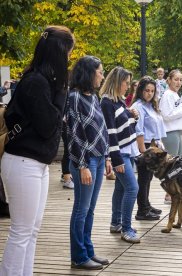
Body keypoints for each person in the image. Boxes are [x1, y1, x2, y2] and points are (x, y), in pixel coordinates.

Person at [0, 25, 75, 275]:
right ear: (58, 53)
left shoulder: (43, 82)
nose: (69, 59)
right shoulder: (36, 83)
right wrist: (62, 91)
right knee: (21, 231)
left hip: (36, 163)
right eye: (68, 53)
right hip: (23, 162)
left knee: (31, 230)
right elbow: (47, 127)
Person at [67, 56, 111, 270]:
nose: (102, 76)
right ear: (89, 72)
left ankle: (88, 251)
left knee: (90, 209)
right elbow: (74, 134)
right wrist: (82, 165)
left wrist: (108, 157)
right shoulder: (74, 97)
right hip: (85, 161)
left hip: (100, 157)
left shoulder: (93, 96)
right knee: (81, 209)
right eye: (100, 72)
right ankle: (79, 256)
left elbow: (101, 129)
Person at [100, 67, 141, 244]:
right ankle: (126, 228)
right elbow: (110, 132)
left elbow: (124, 125)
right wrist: (115, 159)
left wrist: (133, 116)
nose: (128, 87)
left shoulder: (119, 101)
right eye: (126, 83)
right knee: (132, 188)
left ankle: (116, 222)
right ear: (117, 82)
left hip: (127, 149)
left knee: (121, 187)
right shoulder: (107, 103)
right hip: (120, 153)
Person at [131, 76, 165, 220]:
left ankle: (146, 204)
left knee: (149, 178)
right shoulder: (138, 106)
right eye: (147, 90)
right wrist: (142, 152)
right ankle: (142, 210)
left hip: (154, 145)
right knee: (144, 178)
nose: (150, 93)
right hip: (144, 145)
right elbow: (139, 130)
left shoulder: (151, 105)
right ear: (141, 91)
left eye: (152, 91)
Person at [159, 69, 182, 204]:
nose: (178, 82)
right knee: (171, 166)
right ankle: (168, 194)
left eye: (181, 80)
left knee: (180, 165)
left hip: (178, 131)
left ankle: (176, 192)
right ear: (169, 80)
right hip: (170, 132)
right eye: (176, 79)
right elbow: (166, 115)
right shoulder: (167, 95)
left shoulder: (175, 95)